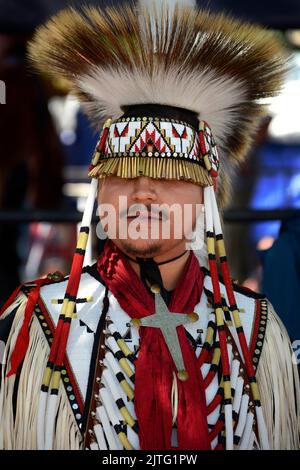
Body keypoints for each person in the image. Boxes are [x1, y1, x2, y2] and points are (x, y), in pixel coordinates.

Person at [0, 2, 299, 451]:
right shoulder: (39, 321)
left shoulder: (256, 329)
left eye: (168, 174)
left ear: (205, 194)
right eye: (123, 174)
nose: (142, 193)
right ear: (99, 192)